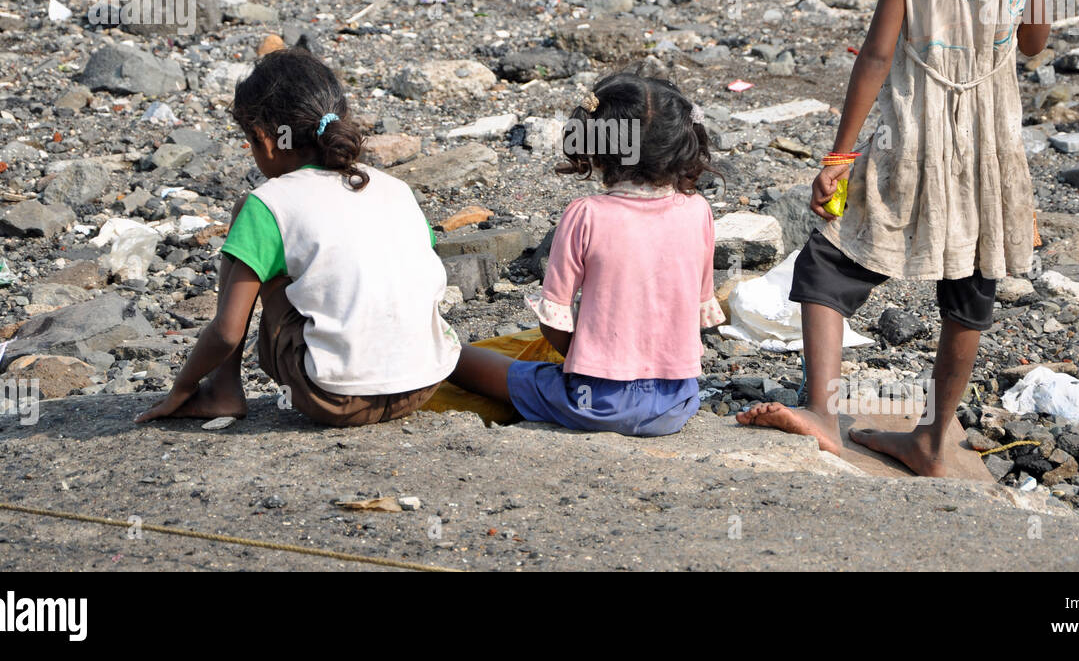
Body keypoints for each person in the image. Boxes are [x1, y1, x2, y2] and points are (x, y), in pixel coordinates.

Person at [739, 0, 1050, 475]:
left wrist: (841, 152)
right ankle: (936, 440)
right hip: (993, 157)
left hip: (916, 143)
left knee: (829, 262)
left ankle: (823, 407)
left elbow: (875, 57)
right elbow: (1035, 44)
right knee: (970, 294)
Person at [136, 47, 459, 427]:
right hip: (424, 383)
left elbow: (226, 332)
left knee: (254, 227)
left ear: (264, 139)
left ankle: (222, 390)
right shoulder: (395, 188)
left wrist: (182, 387)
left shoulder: (268, 203)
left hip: (333, 396)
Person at [447, 71, 724, 436]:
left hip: (596, 401)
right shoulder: (698, 209)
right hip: (677, 399)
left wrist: (588, 358)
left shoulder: (586, 214)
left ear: (597, 145)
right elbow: (699, 313)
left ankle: (438, 357)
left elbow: (554, 321)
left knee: (461, 357)